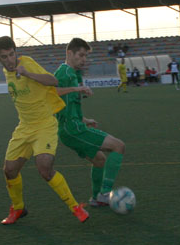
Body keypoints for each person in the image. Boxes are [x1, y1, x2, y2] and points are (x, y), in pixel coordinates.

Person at [0, 36, 88, 225]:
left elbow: (53, 81)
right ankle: (18, 208)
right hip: (24, 127)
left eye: (12, 54)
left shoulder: (26, 63)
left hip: (45, 124)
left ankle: (75, 207)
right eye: (4, 57)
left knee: (44, 168)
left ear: (16, 52)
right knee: (9, 171)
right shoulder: (7, 72)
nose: (10, 60)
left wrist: (27, 73)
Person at [54, 38, 127, 207]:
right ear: (69, 53)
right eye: (80, 55)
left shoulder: (73, 73)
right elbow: (51, 93)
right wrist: (76, 89)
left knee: (99, 160)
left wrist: (85, 120)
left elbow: (67, 106)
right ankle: (104, 194)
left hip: (73, 127)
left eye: (85, 56)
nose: (84, 59)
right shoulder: (64, 73)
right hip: (72, 130)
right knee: (119, 146)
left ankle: (96, 198)